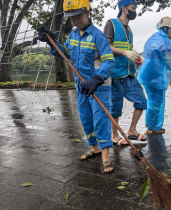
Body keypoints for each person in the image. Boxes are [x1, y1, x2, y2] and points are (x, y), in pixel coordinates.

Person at [38, 0, 115, 174]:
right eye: (72, 17)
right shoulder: (73, 36)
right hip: (81, 86)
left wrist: (96, 78)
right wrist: (52, 42)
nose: (76, 20)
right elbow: (65, 54)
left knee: (100, 119)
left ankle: (106, 155)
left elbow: (109, 61)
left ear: (88, 12)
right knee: (86, 118)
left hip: (98, 85)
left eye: (79, 15)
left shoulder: (98, 36)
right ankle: (94, 148)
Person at [103, 0, 147, 145]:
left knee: (141, 101)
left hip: (129, 74)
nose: (135, 11)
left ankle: (132, 130)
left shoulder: (130, 30)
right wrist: (124, 52)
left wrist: (135, 58)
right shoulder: (112, 24)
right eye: (133, 8)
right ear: (124, 8)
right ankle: (114, 136)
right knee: (115, 108)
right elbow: (105, 47)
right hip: (115, 75)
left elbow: (127, 51)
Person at [137, 17, 171, 134]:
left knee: (152, 100)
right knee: (156, 102)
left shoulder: (153, 38)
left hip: (147, 75)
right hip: (156, 77)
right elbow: (170, 61)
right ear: (166, 29)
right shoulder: (165, 43)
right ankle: (153, 128)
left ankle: (150, 124)